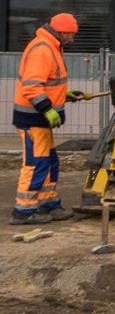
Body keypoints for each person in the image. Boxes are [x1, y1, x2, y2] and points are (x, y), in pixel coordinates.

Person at [11, 14, 84, 225]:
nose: (73, 38)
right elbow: (32, 86)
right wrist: (47, 109)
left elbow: (47, 83)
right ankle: (23, 210)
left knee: (49, 161)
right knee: (36, 163)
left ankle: (48, 201)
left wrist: (65, 95)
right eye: (71, 34)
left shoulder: (51, 45)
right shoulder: (43, 49)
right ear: (62, 32)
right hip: (33, 119)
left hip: (39, 119)